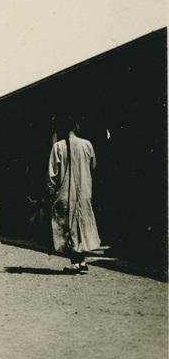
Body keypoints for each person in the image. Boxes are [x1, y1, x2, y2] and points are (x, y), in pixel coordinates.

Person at [47, 117, 101, 274]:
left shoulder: (58, 146)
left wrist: (50, 190)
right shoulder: (87, 144)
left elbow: (52, 174)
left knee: (68, 226)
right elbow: (94, 165)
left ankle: (75, 263)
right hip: (84, 191)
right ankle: (82, 260)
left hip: (65, 193)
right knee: (82, 223)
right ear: (76, 127)